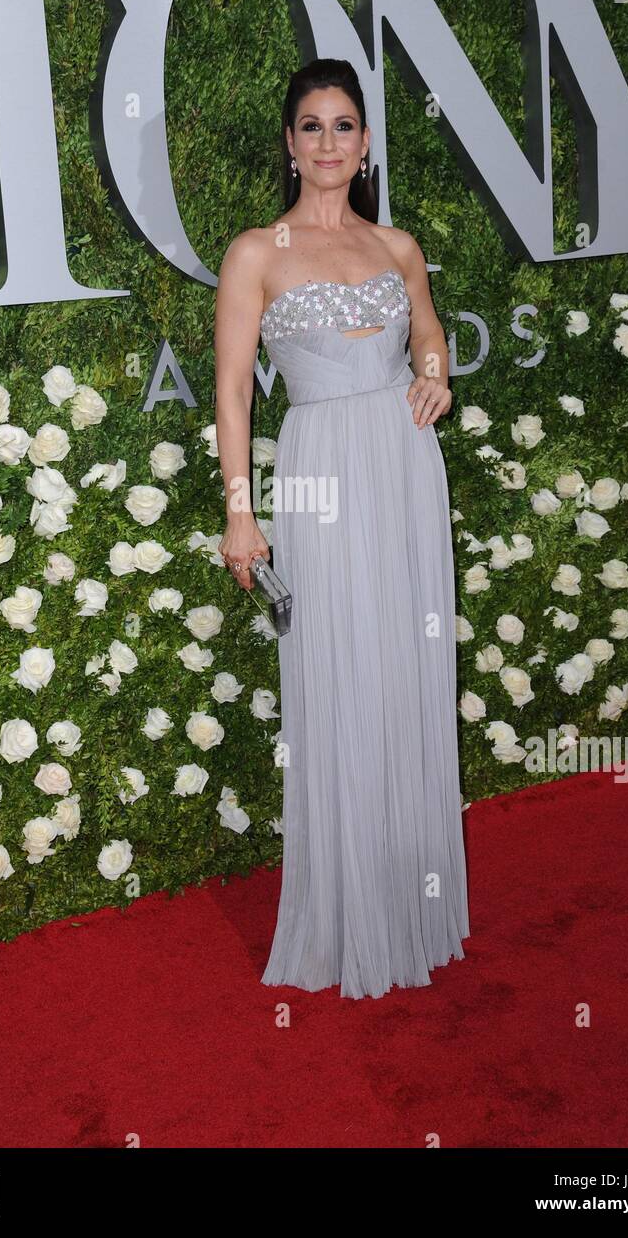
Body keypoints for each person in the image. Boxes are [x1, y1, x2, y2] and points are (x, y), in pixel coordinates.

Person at [214, 58, 470, 1000]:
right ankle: (346, 907)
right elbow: (234, 390)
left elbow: (429, 333)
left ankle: (407, 895)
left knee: (403, 667)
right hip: (319, 470)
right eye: (311, 126)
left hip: (403, 468)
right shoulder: (256, 252)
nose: (329, 143)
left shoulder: (396, 246)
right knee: (337, 666)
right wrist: (241, 515)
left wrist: (434, 373)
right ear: (289, 144)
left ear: (366, 144)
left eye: (345, 126)